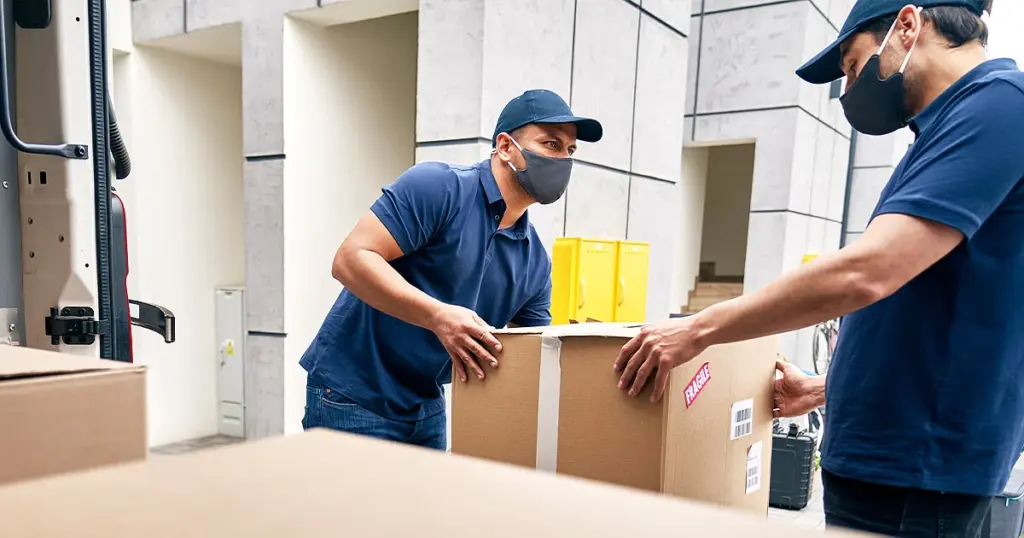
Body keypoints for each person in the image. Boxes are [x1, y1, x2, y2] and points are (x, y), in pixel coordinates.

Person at [614, 0, 1022, 536]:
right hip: (891, 458)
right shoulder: (949, 125)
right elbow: (937, 304)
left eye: (853, 66)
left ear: (906, 25)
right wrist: (830, 388)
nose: (849, 91)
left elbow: (867, 272)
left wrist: (698, 329)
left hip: (917, 471)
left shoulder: (999, 109)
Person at [299, 89, 603, 450]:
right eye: (551, 144)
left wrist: (592, 356)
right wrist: (437, 316)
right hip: (354, 392)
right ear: (505, 147)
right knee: (359, 509)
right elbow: (350, 259)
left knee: (425, 508)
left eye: (570, 151)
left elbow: (530, 353)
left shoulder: (534, 260)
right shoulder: (438, 188)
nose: (563, 160)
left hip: (427, 403)